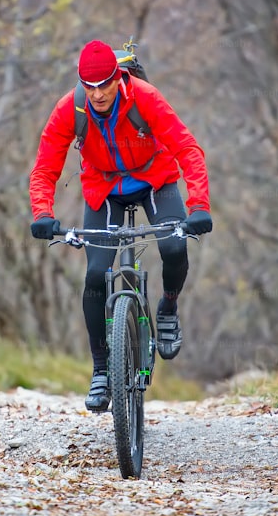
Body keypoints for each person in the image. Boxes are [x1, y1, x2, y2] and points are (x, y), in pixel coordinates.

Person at [28, 39, 213, 412]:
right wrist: (43, 214)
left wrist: (199, 205)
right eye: (89, 86)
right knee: (96, 275)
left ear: (118, 77)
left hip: (154, 179)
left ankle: (168, 307)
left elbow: (187, 149)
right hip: (104, 188)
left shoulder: (145, 97)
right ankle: (100, 369)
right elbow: (46, 168)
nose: (97, 94)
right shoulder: (71, 108)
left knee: (175, 246)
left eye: (105, 84)